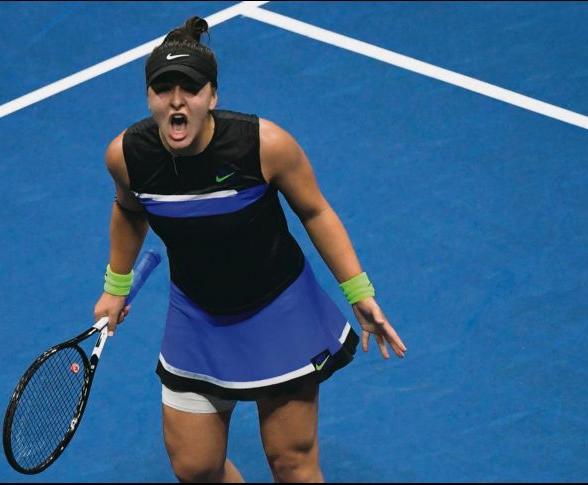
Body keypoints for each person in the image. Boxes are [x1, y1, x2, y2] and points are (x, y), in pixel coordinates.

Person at [93, 16, 407, 483]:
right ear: (149, 97)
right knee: (195, 467)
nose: (177, 101)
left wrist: (359, 293)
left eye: (190, 89)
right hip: (196, 317)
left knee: (292, 463)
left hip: (279, 313)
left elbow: (316, 212)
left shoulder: (264, 146)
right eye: (163, 89)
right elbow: (129, 211)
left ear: (212, 97)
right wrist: (115, 287)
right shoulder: (128, 157)